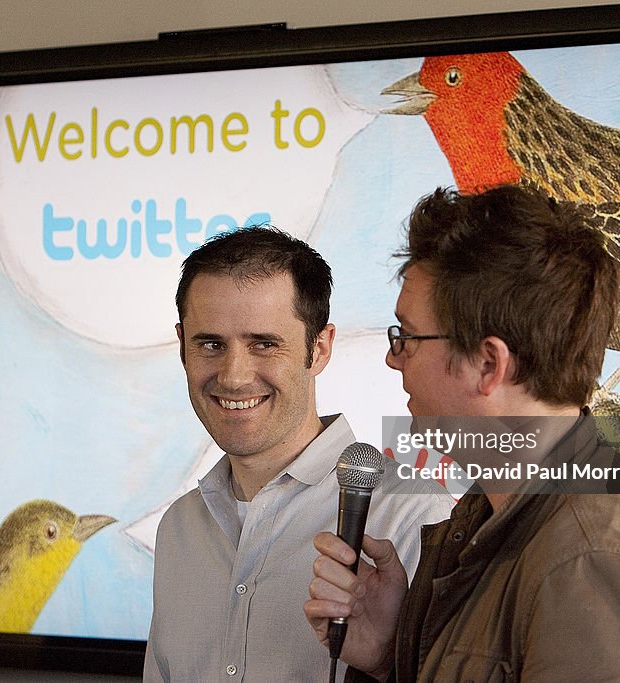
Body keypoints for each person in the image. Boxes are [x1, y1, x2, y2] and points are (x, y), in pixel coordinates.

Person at [304, 185, 620, 681]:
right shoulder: (496, 515)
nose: (393, 358)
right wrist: (392, 656)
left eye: (407, 337)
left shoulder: (593, 564)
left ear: (488, 364)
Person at [143, 226, 453, 682]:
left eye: (263, 344)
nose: (232, 376)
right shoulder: (180, 528)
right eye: (210, 344)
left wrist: (388, 666)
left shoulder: (412, 519)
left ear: (320, 349)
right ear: (182, 347)